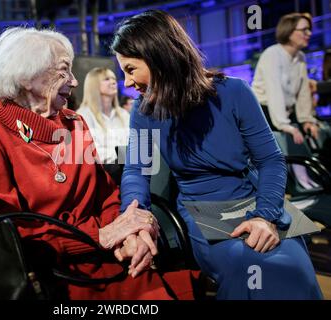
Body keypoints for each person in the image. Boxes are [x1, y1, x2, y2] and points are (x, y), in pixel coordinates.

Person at [0, 27, 194, 300]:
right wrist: (101, 235)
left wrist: (127, 236)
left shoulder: (73, 123)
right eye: (63, 71)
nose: (74, 81)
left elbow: (104, 195)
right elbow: (8, 232)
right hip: (46, 273)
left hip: (106, 256)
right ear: (26, 77)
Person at [111, 10, 322, 299]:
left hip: (258, 204)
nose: (126, 82)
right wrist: (133, 218)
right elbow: (137, 170)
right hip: (203, 212)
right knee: (250, 264)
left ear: (161, 58)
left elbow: (271, 161)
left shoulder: (235, 92)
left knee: (293, 268)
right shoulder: (144, 110)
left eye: (131, 69)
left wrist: (265, 216)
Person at [252, 13, 321, 145]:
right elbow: (274, 92)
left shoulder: (300, 57)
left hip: (283, 112)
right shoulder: (272, 54)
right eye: (304, 30)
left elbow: (303, 93)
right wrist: (284, 125)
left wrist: (306, 119)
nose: (309, 33)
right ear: (289, 32)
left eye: (309, 29)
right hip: (263, 114)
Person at [77, 68, 130, 183]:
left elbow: (132, 144)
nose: (113, 82)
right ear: (94, 85)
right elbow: (90, 154)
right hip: (100, 174)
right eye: (106, 79)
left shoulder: (124, 114)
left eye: (114, 78)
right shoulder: (83, 115)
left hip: (126, 169)